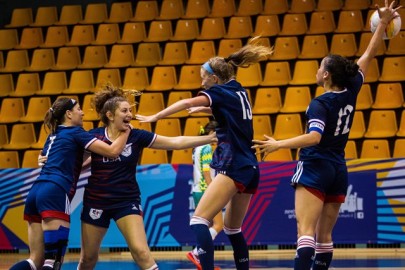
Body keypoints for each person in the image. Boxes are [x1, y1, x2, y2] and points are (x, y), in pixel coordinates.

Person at [252, 2, 401, 270]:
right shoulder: (352, 88)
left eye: (321, 66)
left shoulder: (319, 104)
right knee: (325, 236)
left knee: (305, 231)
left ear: (327, 75)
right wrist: (381, 27)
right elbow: (369, 54)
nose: (318, 70)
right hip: (338, 168)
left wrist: (278, 144)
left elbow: (314, 137)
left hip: (315, 166)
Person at [136, 37, 273, 270]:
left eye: (203, 78)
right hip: (251, 167)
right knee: (232, 229)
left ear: (215, 79)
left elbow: (185, 102)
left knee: (199, 220)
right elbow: (231, 111)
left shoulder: (219, 92)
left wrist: (156, 116)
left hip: (234, 164)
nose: (202, 82)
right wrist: (208, 108)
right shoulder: (239, 91)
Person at [77, 85, 217, 270]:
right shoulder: (93, 136)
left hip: (126, 201)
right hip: (96, 201)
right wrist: (48, 158)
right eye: (124, 111)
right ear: (110, 115)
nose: (130, 114)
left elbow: (175, 142)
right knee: (88, 259)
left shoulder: (137, 136)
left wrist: (210, 138)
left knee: (142, 253)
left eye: (130, 111)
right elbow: (75, 162)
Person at [10, 97, 130, 270]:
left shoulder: (53, 136)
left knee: (35, 260)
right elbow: (112, 152)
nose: (82, 113)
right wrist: (126, 131)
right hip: (55, 192)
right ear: (68, 114)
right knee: (54, 261)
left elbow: (74, 163)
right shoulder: (76, 132)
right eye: (79, 109)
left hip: (35, 193)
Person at [187, 121, 224, 269]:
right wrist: (213, 189)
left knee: (204, 226)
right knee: (219, 224)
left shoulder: (197, 147)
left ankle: (203, 261)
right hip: (205, 190)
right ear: (212, 132)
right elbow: (206, 172)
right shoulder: (207, 147)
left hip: (197, 190)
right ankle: (196, 253)